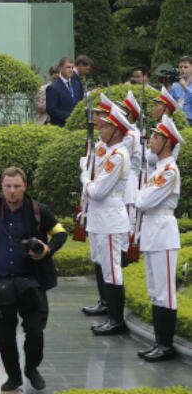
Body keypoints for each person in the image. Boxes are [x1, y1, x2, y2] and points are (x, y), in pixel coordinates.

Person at [0, 167, 67, 391]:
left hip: (31, 282)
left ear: (25, 187)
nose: (12, 191)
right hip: (0, 282)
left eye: (17, 187)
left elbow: (61, 233)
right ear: (2, 187)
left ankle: (32, 367)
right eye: (8, 186)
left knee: (34, 332)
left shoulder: (38, 210)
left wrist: (47, 249)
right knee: (3, 335)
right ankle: (13, 376)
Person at [132, 114, 182, 361]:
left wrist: (142, 197)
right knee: (154, 290)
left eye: (156, 137)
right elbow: (142, 199)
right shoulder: (159, 169)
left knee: (165, 292)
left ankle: (166, 345)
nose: (151, 141)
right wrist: (142, 197)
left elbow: (143, 200)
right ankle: (159, 342)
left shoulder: (169, 171)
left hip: (163, 232)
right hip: (153, 232)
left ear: (168, 143)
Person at [80, 104, 132, 335]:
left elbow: (97, 190)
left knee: (112, 270)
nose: (100, 130)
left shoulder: (118, 156)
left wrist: (85, 178)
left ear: (117, 131)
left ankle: (116, 320)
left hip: (110, 219)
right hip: (100, 217)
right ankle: (110, 313)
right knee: (104, 265)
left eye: (105, 127)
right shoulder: (109, 152)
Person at [45, 57, 84, 128]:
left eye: (72, 67)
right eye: (68, 67)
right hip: (60, 127)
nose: (71, 70)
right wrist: (70, 116)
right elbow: (51, 110)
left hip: (77, 128)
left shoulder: (77, 84)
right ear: (60, 68)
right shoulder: (53, 87)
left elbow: (81, 102)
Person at [169, 55, 192, 122]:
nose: (182, 69)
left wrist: (185, 86)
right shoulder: (175, 85)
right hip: (177, 120)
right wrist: (169, 87)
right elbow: (169, 102)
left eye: (186, 67)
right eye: (180, 67)